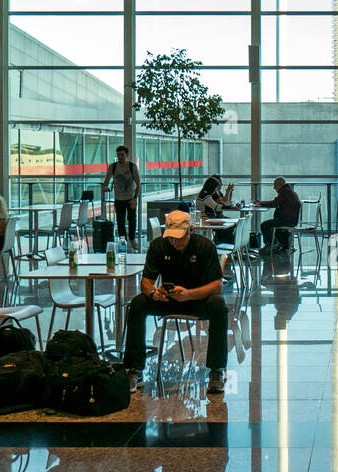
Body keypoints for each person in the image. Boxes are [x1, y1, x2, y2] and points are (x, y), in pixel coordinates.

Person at [123, 210, 228, 395]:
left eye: (180, 238)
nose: (176, 242)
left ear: (191, 230)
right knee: (138, 303)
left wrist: (189, 294)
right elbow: (146, 281)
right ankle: (134, 369)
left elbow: (217, 285)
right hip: (167, 299)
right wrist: (154, 293)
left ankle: (216, 370)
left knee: (218, 305)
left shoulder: (205, 247)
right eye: (172, 238)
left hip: (197, 300)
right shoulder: (158, 246)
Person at [101, 145, 141, 249]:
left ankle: (132, 239)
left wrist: (134, 199)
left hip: (130, 198)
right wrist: (106, 187)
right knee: (120, 221)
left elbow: (138, 184)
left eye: (122, 155)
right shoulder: (113, 167)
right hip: (119, 199)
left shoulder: (132, 167)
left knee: (132, 219)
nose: (120, 157)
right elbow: (106, 182)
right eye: (118, 155)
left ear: (126, 155)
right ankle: (123, 241)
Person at [255, 176, 301, 254]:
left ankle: (271, 245)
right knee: (272, 225)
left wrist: (260, 203)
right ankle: (276, 244)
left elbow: (274, 203)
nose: (274, 188)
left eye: (275, 185)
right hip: (291, 220)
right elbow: (276, 203)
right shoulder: (290, 191)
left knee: (265, 225)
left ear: (280, 185)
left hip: (286, 220)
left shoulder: (285, 192)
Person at [196, 174, 238, 246]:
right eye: (216, 188)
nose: (216, 190)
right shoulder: (206, 196)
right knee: (228, 227)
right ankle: (225, 246)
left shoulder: (205, 194)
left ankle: (223, 244)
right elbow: (216, 207)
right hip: (206, 219)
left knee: (230, 225)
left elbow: (224, 203)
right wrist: (228, 207)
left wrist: (228, 204)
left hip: (210, 218)